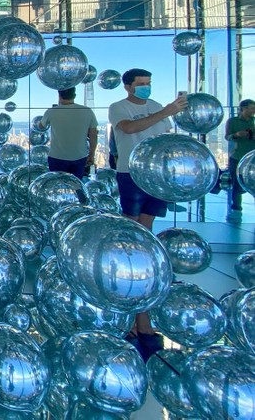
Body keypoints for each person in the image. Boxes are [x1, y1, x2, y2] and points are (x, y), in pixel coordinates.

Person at [108, 68, 188, 361]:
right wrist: (166, 110)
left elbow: (162, 137)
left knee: (146, 236)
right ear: (128, 86)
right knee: (133, 239)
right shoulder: (119, 107)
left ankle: (142, 317)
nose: (146, 88)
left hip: (157, 177)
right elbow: (128, 129)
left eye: (148, 83)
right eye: (141, 84)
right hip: (131, 175)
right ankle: (131, 319)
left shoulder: (156, 109)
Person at [39, 87, 98, 179]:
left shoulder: (51, 111)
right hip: (79, 156)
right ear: (74, 95)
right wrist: (91, 155)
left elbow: (41, 126)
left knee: (57, 186)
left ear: (59, 95)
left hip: (57, 157)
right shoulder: (87, 111)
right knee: (77, 186)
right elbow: (93, 135)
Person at [225, 99, 255, 219]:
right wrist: (237, 135)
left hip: (253, 157)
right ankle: (236, 209)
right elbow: (228, 136)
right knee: (237, 184)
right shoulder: (232, 121)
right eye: (251, 108)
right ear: (243, 109)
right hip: (237, 156)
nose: (253, 111)